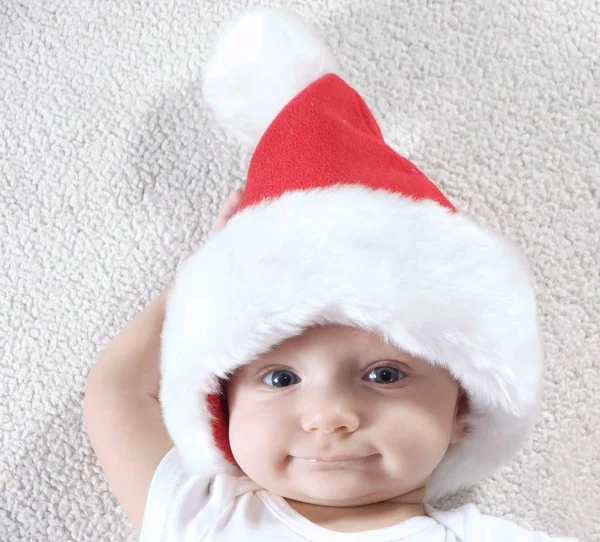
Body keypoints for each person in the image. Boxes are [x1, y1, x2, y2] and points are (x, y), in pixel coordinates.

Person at [83, 8, 579, 541]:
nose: (329, 416)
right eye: (280, 379)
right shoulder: (203, 517)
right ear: (221, 409)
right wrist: (206, 276)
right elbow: (118, 393)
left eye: (385, 375)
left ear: (463, 405)